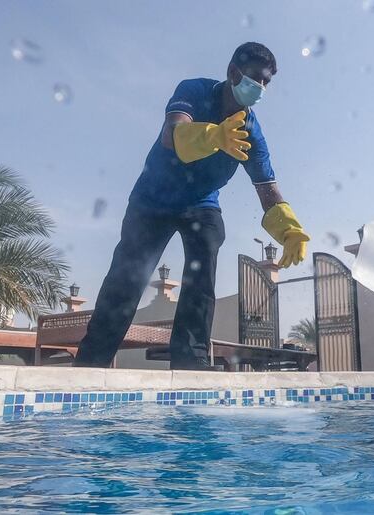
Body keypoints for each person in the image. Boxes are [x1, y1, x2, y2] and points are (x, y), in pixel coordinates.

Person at [74, 42, 309, 370]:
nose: (260, 88)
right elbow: (173, 134)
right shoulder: (194, 91)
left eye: (267, 82)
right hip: (152, 200)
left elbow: (268, 189)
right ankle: (91, 362)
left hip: (201, 203)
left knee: (208, 244)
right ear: (232, 73)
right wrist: (214, 136)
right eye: (256, 79)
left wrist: (290, 229)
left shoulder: (252, 133)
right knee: (127, 278)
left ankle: (190, 360)